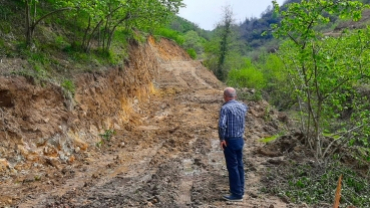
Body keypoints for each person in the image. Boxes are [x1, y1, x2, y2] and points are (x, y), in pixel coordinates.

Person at [218, 87, 248, 201]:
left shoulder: (225, 108)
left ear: (225, 97)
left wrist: (222, 138)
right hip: (240, 139)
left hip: (230, 140)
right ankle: (241, 190)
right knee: (239, 165)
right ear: (235, 96)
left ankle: (236, 194)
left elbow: (222, 125)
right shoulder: (242, 107)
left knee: (232, 166)